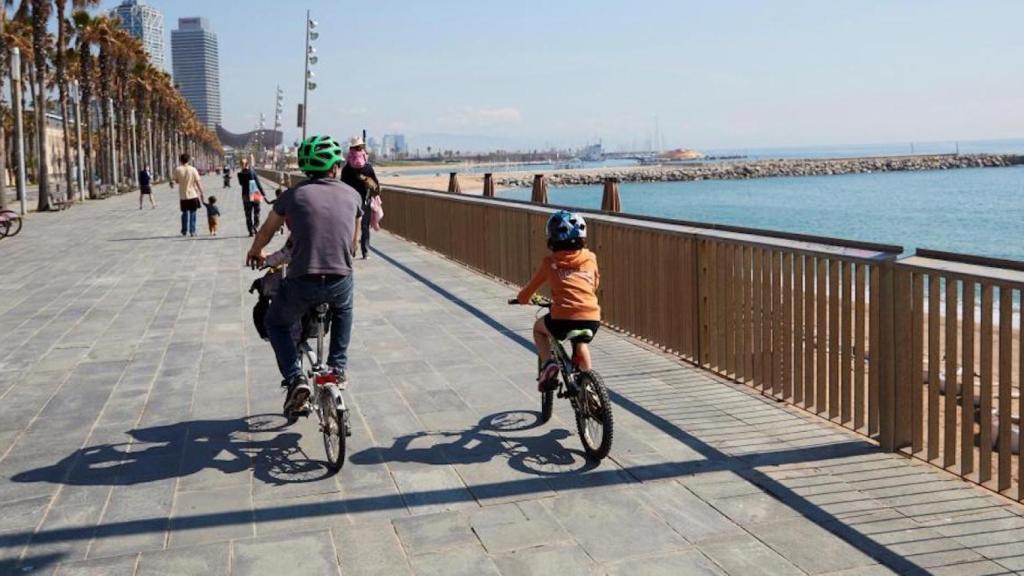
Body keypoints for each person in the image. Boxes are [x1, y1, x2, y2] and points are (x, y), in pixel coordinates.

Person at [246, 135, 363, 416]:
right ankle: (337, 367)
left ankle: (295, 377)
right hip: (339, 278)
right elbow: (353, 245)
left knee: (276, 322)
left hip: (302, 280)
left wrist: (256, 251)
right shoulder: (353, 195)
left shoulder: (293, 195)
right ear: (335, 167)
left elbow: (267, 230)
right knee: (344, 309)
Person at [515, 210, 601, 390]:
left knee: (539, 329)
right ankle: (590, 391)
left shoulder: (549, 263)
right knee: (581, 344)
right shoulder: (590, 258)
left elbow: (527, 292)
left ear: (551, 240)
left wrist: (522, 298)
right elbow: (594, 282)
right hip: (591, 317)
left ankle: (548, 363)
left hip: (562, 319)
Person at [340, 136, 379, 259]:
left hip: (349, 201)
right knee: (365, 227)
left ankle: (352, 249)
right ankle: (365, 251)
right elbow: (376, 187)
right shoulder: (367, 167)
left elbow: (342, 185)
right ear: (362, 148)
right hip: (364, 200)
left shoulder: (346, 168)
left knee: (350, 227)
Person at [174, 153, 204, 237]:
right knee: (193, 213)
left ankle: (184, 230)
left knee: (184, 213)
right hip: (193, 194)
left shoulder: (177, 169)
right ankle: (192, 230)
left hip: (183, 195)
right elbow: (198, 182)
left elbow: (176, 181)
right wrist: (201, 191)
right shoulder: (193, 169)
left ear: (180, 160)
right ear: (188, 160)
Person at [238, 158, 265, 236]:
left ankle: (250, 231)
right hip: (254, 192)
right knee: (257, 212)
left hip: (245, 194)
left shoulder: (240, 174)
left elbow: (241, 184)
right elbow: (257, 183)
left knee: (248, 214)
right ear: (248, 164)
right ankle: (255, 226)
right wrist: (263, 193)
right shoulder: (252, 171)